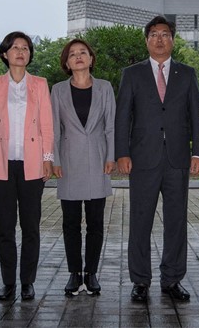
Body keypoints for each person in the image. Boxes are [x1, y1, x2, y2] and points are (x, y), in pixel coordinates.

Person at [115, 15, 199, 302]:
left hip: (178, 158)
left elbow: (196, 115)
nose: (159, 39)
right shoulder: (132, 74)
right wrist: (122, 152)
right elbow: (123, 116)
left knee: (176, 221)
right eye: (154, 34)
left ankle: (172, 279)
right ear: (146, 40)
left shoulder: (187, 74)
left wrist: (198, 152)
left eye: (165, 34)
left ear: (173, 40)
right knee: (140, 220)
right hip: (142, 158)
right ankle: (140, 281)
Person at [0, 31, 54, 302]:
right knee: (5, 226)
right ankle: (8, 281)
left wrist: (47, 158)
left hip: (32, 164)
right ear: (4, 53)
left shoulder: (40, 84)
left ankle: (27, 281)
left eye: (25, 48)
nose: (21, 52)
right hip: (2, 162)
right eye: (15, 47)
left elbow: (46, 124)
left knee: (31, 226)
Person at [51, 38, 115, 297]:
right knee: (71, 222)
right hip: (68, 161)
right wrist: (54, 159)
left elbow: (110, 126)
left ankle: (91, 272)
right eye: (72, 54)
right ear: (67, 63)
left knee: (96, 222)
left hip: (98, 159)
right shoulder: (58, 90)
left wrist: (111, 156)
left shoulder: (105, 88)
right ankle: (74, 273)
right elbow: (54, 129)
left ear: (91, 58)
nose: (78, 56)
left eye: (82, 52)